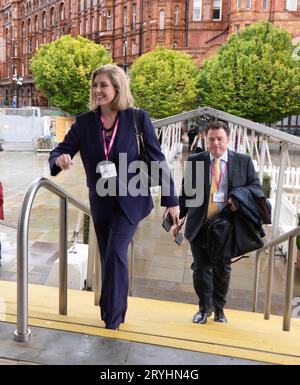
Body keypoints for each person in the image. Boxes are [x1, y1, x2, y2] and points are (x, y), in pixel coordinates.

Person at [49, 64, 179, 330]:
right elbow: (60, 150)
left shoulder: (137, 119)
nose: (98, 90)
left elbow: (157, 159)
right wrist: (59, 160)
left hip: (130, 199)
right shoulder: (85, 122)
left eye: (104, 85)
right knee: (108, 256)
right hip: (101, 201)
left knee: (117, 252)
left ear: (117, 88)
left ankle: (114, 319)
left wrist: (171, 200)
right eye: (95, 85)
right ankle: (109, 311)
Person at [175, 121, 263, 324]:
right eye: (212, 139)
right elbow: (187, 192)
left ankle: (220, 309)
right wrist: (178, 217)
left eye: (220, 139)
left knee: (222, 270)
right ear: (206, 140)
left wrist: (237, 198)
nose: (216, 143)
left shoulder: (243, 161)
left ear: (228, 140)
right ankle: (204, 309)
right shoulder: (195, 160)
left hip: (226, 226)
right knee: (200, 269)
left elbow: (256, 188)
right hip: (199, 223)